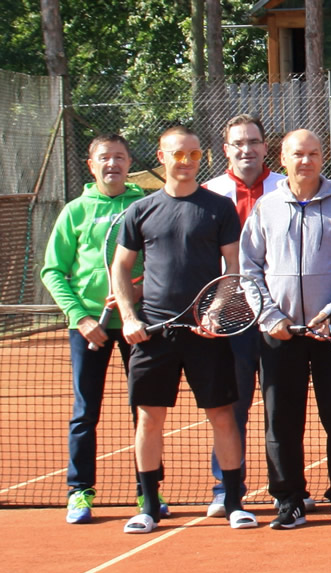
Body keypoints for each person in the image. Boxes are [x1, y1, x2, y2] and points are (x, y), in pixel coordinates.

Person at [113, 125, 255, 533]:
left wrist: (218, 312)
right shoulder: (140, 210)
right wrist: (128, 316)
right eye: (178, 154)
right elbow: (121, 269)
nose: (186, 162)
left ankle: (232, 502)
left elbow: (234, 270)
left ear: (202, 159)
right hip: (153, 335)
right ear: (162, 156)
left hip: (205, 335)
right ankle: (149, 504)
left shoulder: (218, 208)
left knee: (224, 416)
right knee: (148, 418)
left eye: (193, 155)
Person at [241, 130, 331, 528]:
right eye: (298, 154)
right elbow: (249, 270)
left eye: (314, 154)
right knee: (281, 420)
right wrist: (270, 318)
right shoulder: (266, 208)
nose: (306, 161)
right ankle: (289, 499)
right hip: (280, 335)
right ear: (283, 158)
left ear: (322, 157)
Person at [42, 133, 151, 524]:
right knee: (85, 412)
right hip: (89, 328)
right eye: (105, 158)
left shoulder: (143, 205)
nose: (112, 164)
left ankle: (147, 493)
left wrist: (132, 293)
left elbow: (157, 262)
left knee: (145, 410)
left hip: (137, 324)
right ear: (92, 165)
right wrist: (81, 318)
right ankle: (79, 492)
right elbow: (53, 271)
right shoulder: (75, 211)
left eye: (119, 157)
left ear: (128, 162)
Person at [201, 114, 289, 516]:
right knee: (231, 406)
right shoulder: (210, 192)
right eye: (238, 143)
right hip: (230, 317)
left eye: (253, 141)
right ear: (226, 149)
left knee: (280, 406)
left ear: (265, 146)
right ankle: (227, 487)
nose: (246, 149)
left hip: (276, 314)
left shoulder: (285, 187)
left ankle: (285, 487)